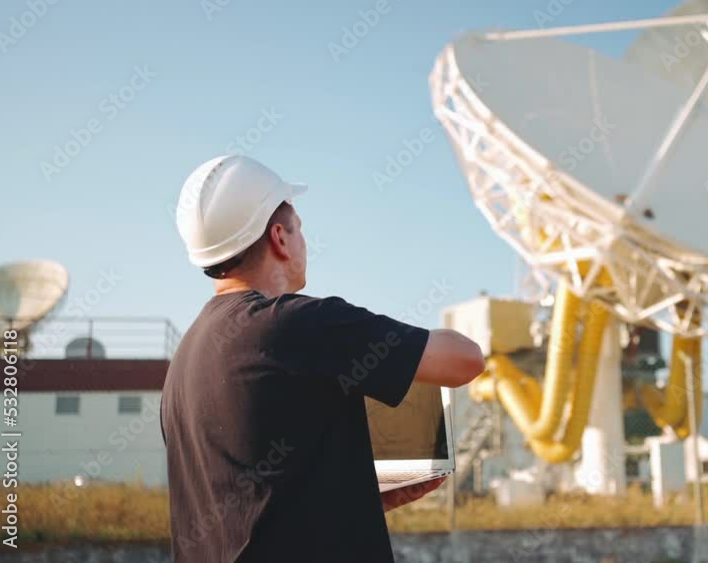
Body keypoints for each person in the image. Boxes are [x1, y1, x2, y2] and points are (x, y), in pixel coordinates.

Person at [160, 155, 485, 562]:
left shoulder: (183, 361)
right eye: (299, 229)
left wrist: (367, 500)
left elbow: (252, 514)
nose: (304, 243)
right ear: (279, 238)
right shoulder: (299, 324)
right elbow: (466, 359)